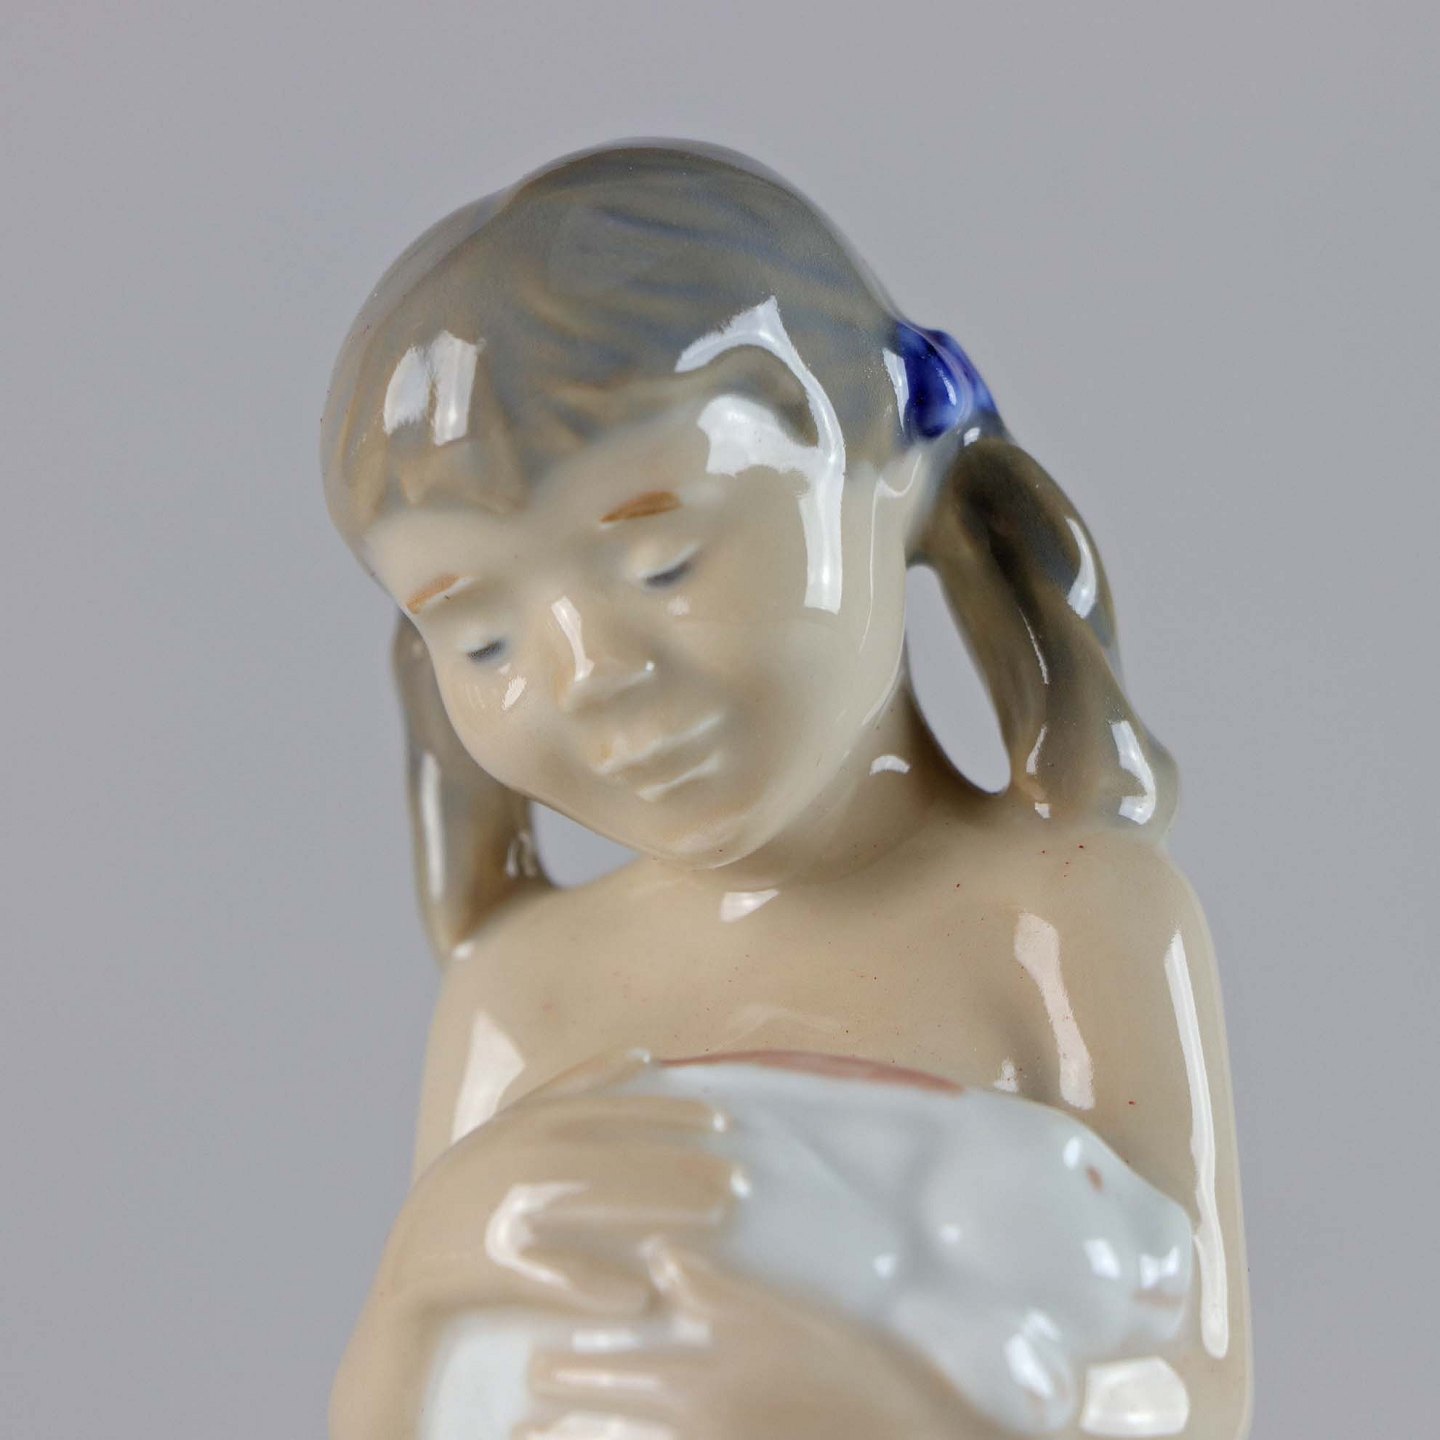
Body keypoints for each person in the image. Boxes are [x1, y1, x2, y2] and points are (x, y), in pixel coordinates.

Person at [320, 142, 1251, 1439]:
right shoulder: (520, 993)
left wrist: (882, 1410)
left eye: (664, 562)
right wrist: (430, 1272)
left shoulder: (1069, 919)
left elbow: (1198, 1391)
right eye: (483, 639)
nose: (592, 674)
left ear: (889, 475)